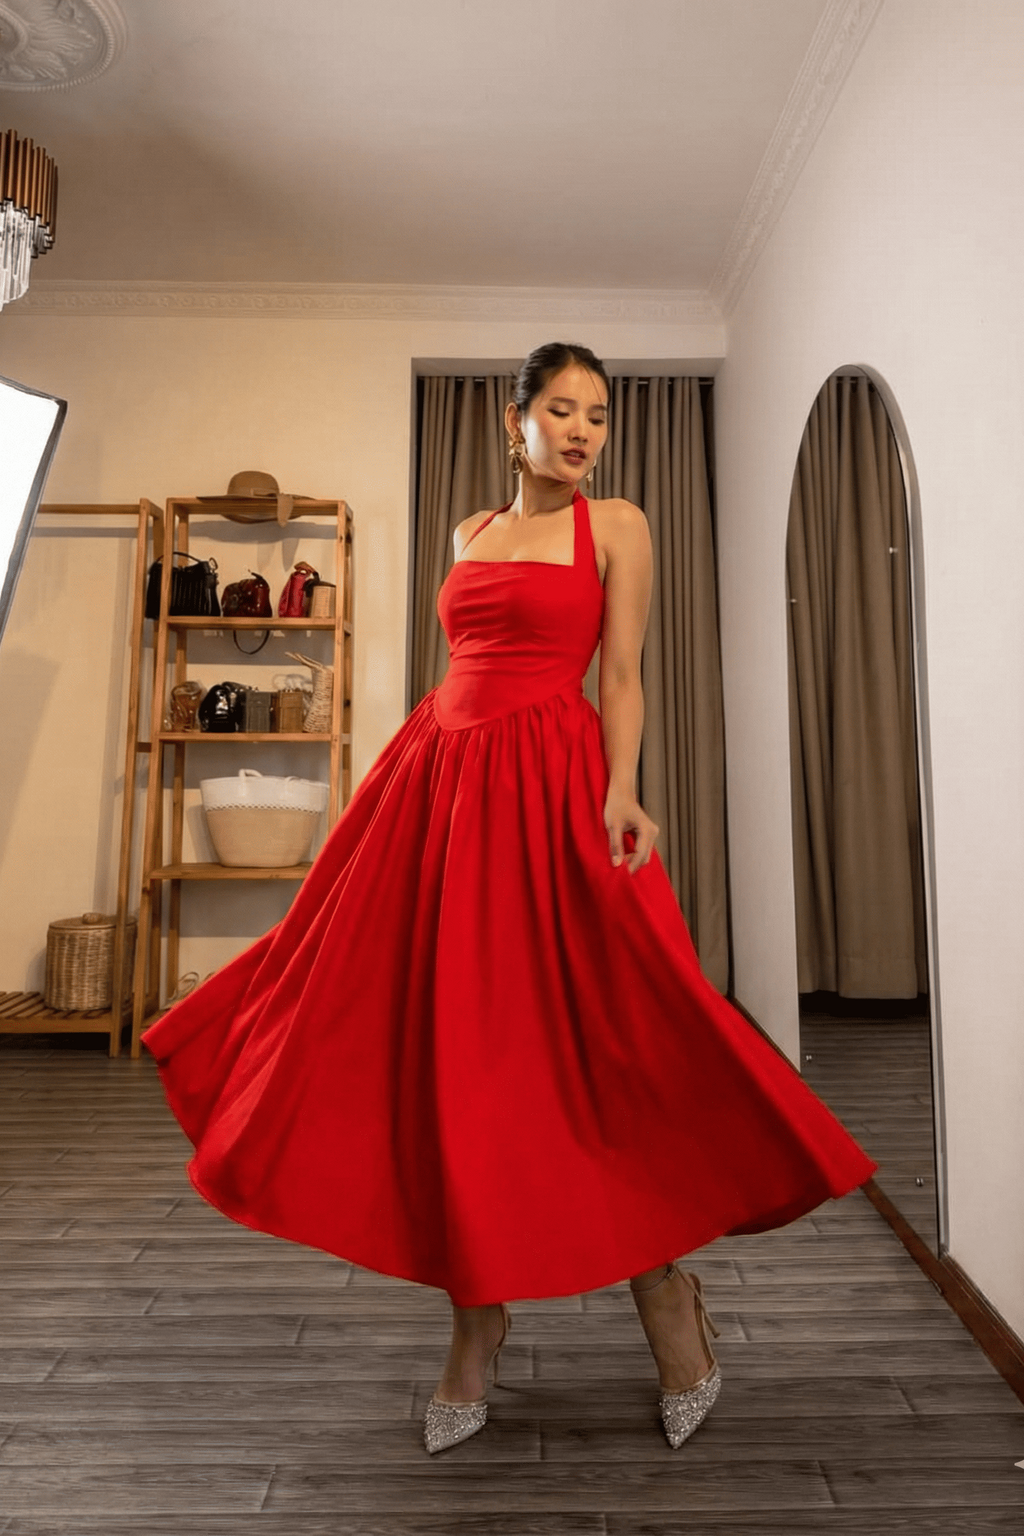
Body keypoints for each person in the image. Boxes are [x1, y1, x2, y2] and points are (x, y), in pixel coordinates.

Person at [143, 342, 876, 1457]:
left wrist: (623, 791)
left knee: (601, 1044)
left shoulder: (617, 525)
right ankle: (473, 1331)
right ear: (513, 420)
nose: (581, 431)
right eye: (561, 411)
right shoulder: (468, 535)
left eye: (597, 416)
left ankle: (665, 1299)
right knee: (452, 1055)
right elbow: (460, 669)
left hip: (554, 786)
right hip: (439, 786)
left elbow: (619, 674)